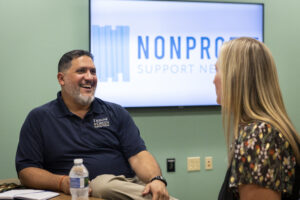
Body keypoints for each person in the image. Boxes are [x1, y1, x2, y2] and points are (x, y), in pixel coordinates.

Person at [15, 50, 173, 200]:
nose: (89, 77)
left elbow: (138, 155)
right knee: (101, 184)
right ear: (61, 79)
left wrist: (156, 179)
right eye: (81, 71)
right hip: (81, 192)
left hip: (127, 186)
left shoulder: (115, 112)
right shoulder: (40, 118)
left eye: (93, 71)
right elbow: (26, 171)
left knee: (110, 185)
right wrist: (61, 182)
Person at [214, 37, 300, 200]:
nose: (214, 80)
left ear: (236, 77)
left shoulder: (258, 137)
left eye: (217, 70)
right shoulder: (263, 132)